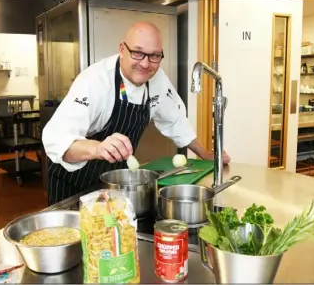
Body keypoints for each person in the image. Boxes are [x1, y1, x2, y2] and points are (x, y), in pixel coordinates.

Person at [42, 21, 230, 205]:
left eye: (154, 55)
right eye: (138, 53)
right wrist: (98, 148)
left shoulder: (156, 80)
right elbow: (57, 140)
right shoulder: (95, 81)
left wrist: (204, 153)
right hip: (73, 183)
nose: (146, 64)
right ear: (122, 49)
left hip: (114, 183)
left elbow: (176, 121)